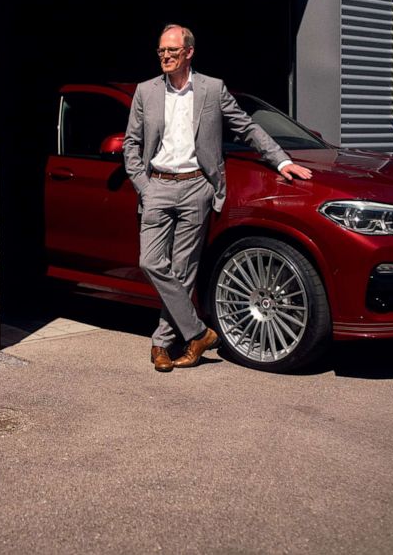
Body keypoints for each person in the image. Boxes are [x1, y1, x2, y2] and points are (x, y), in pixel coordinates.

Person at [123, 24, 313, 372]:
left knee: (183, 271)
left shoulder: (212, 89)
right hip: (158, 186)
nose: (165, 57)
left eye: (172, 51)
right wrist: (144, 185)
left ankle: (161, 343)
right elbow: (131, 144)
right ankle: (198, 332)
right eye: (161, 51)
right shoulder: (145, 91)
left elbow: (247, 126)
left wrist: (282, 160)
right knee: (150, 261)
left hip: (197, 187)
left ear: (189, 53)